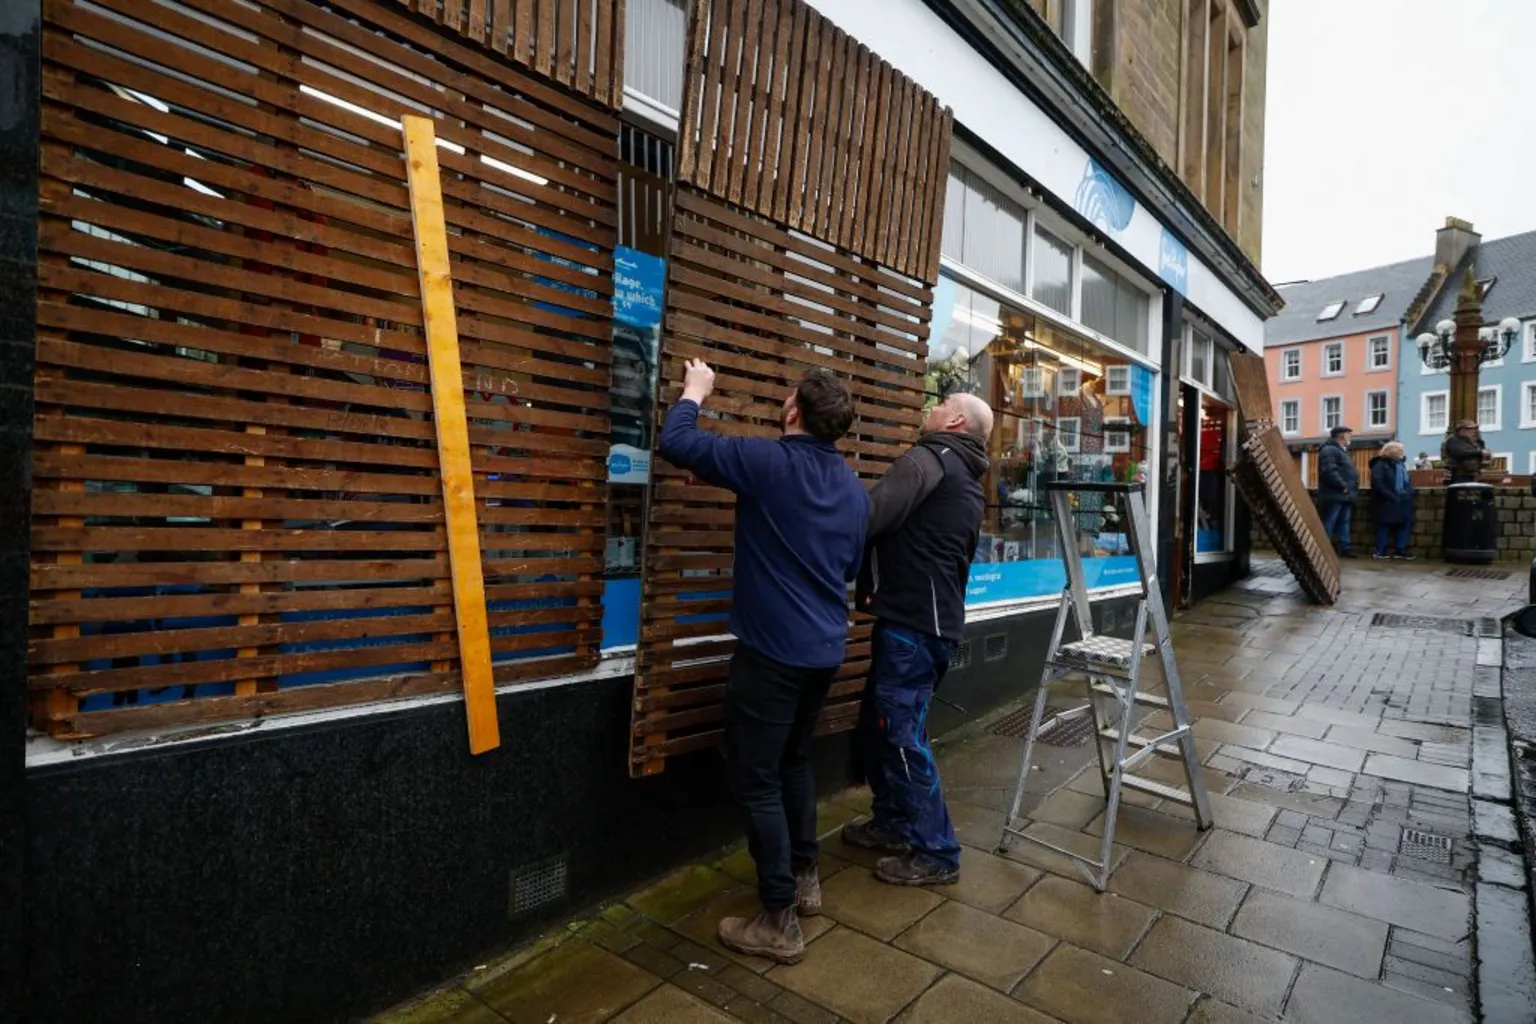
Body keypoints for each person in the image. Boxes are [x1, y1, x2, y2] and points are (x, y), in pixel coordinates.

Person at [658, 358, 867, 965]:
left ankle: (778, 919)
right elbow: (847, 568)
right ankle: (805, 881)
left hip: (774, 653)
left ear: (794, 411)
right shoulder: (852, 491)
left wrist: (695, 391)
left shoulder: (769, 462)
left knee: (756, 777)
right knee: (794, 761)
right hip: (825, 651)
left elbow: (677, 442)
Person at [842, 392, 994, 887]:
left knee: (901, 735)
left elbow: (868, 516)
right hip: (927, 626)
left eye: (941, 401)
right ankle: (891, 821)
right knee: (881, 726)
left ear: (953, 420)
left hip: (913, 627)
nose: (930, 406)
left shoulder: (929, 458)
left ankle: (936, 851)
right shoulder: (968, 481)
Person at [1317, 425, 1359, 557]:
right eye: (1348, 435)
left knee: (1344, 521)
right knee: (1330, 521)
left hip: (1344, 495)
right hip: (1335, 494)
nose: (1350, 438)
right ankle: (1324, 549)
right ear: (1341, 436)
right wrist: (1343, 486)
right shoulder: (1329, 450)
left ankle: (1344, 548)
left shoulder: (1340, 450)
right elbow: (1329, 471)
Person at [1369, 441, 1416, 561]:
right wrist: (1389, 496)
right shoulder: (1380, 465)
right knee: (1384, 525)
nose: (1402, 452)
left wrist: (1409, 492)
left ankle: (1400, 549)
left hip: (1403, 499)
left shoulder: (1401, 465)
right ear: (1392, 451)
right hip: (1386, 500)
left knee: (1405, 524)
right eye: (1400, 450)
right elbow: (1378, 483)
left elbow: (1407, 481)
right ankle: (1381, 550)